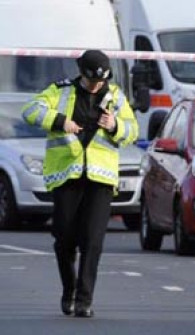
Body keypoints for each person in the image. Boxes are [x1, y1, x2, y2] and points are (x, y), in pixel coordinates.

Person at [21, 50, 139, 318]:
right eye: (91, 79)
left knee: (93, 239)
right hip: (67, 175)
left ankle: (84, 300)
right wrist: (61, 121)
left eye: (102, 79)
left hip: (101, 178)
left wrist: (115, 125)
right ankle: (69, 289)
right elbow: (30, 111)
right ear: (81, 73)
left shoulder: (115, 96)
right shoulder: (60, 91)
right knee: (63, 237)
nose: (97, 85)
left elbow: (133, 131)